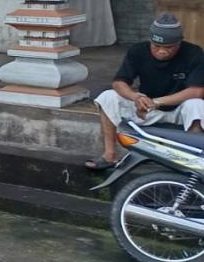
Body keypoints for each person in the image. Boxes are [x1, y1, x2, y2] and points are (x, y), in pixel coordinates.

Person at [85, 13, 204, 170]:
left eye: (169, 47)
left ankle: (195, 161)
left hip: (178, 111)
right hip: (145, 109)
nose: (162, 51)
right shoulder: (138, 51)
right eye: (156, 46)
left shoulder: (193, 53)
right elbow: (119, 82)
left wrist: (156, 102)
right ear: (150, 41)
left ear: (179, 43)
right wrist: (135, 97)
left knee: (196, 104)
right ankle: (109, 155)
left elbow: (196, 91)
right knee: (107, 97)